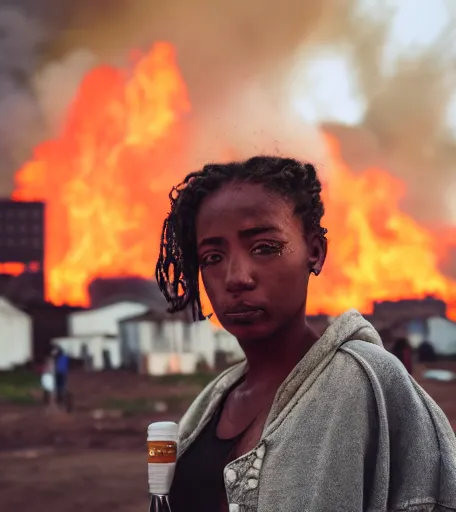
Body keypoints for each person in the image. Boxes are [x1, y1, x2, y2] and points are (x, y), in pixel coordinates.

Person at [155, 157, 456, 511]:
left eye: (264, 248)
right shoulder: (206, 408)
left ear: (314, 251)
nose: (236, 277)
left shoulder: (367, 383)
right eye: (212, 257)